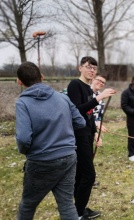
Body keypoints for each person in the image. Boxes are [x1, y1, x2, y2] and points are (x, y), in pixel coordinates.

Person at [15, 62, 86, 219]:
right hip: (68, 157)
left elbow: (23, 139)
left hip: (41, 161)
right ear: (42, 77)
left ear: (19, 81)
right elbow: (80, 122)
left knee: (28, 204)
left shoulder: (23, 103)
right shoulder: (63, 98)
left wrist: (26, 152)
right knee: (67, 204)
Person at [67, 56, 116, 219]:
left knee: (81, 174)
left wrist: (95, 132)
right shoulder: (75, 85)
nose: (91, 70)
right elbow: (77, 110)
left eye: (94, 68)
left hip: (87, 134)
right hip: (78, 136)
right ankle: (79, 213)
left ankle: (79, 209)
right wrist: (99, 98)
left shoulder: (88, 89)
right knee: (89, 175)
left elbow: (89, 115)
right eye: (88, 67)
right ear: (80, 68)